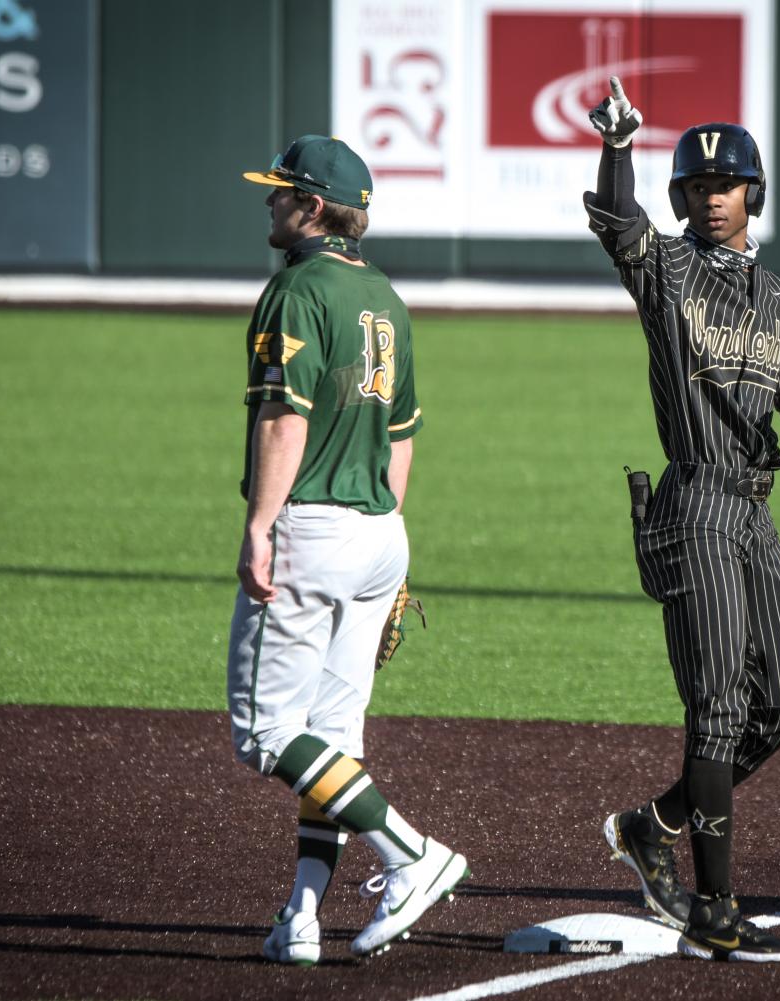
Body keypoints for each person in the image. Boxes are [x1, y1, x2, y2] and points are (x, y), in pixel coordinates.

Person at [583, 78, 780, 963]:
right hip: (693, 501)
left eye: (722, 184)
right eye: (694, 187)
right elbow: (618, 225)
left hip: (754, 511)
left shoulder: (778, 295)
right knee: (719, 706)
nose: (707, 197)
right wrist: (618, 147)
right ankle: (714, 910)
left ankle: (653, 824)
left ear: (751, 192)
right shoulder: (667, 270)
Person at [228, 134, 468, 965]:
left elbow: (284, 417)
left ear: (314, 207)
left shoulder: (295, 290)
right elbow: (400, 437)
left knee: (264, 732)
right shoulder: (387, 300)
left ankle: (411, 852)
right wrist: (385, 543)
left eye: (282, 191)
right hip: (377, 531)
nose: (270, 201)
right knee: (332, 738)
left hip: (314, 529)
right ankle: (300, 917)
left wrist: (261, 525)